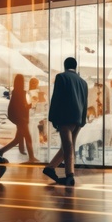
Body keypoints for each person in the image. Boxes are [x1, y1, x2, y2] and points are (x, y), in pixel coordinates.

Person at [42, 57, 89, 186]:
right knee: (69, 146)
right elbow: (85, 103)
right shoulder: (83, 82)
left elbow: (57, 97)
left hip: (65, 116)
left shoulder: (61, 77)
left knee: (68, 146)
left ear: (64, 66)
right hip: (78, 118)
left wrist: (52, 117)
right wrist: (83, 120)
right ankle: (50, 168)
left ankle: (70, 175)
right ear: (76, 66)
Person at [0, 74, 38, 162]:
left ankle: (1, 151)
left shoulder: (15, 92)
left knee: (18, 139)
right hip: (22, 120)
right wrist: (32, 104)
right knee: (28, 138)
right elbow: (24, 107)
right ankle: (31, 158)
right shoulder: (21, 93)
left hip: (19, 119)